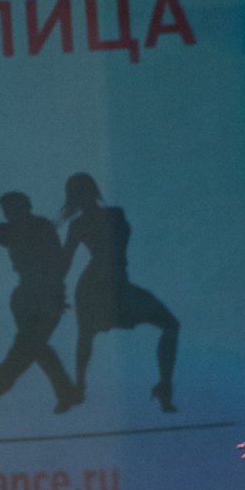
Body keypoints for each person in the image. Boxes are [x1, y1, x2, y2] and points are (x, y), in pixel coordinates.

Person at [58, 172, 181, 413]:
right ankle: (79, 388)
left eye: (85, 191)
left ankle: (163, 386)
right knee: (86, 335)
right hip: (95, 286)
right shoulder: (86, 222)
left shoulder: (112, 214)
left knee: (169, 324)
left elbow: (68, 263)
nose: (83, 197)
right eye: (79, 193)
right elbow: (64, 264)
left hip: (116, 283)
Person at [0, 190, 81, 418]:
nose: (9, 215)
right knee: (34, 348)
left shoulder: (41, 227)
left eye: (12, 209)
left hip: (46, 298)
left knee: (27, 349)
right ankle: (66, 392)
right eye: (7, 211)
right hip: (26, 298)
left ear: (25, 207)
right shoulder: (13, 229)